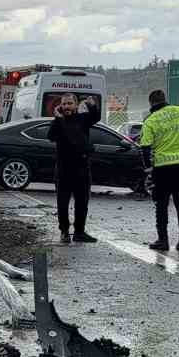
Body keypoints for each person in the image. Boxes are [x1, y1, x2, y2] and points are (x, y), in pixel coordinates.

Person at [137, 89, 179, 252]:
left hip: (162, 168)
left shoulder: (150, 120)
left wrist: (148, 169)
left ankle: (163, 240)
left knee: (161, 205)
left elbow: (145, 147)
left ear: (151, 103)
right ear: (164, 99)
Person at [46, 93, 100, 244]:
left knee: (82, 202)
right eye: (64, 104)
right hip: (64, 169)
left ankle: (79, 232)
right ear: (60, 106)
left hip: (81, 168)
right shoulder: (58, 121)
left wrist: (91, 105)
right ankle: (64, 232)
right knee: (62, 203)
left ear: (76, 105)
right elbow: (50, 136)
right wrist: (58, 119)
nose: (66, 106)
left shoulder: (82, 119)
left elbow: (95, 117)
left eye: (70, 103)